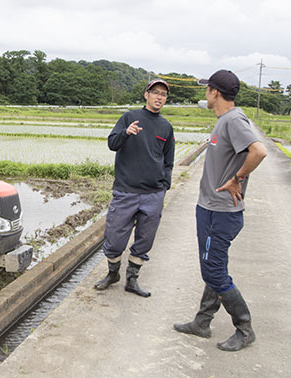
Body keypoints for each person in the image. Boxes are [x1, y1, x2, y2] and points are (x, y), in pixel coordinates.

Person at [173, 69, 267, 351]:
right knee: (214, 267)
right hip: (210, 209)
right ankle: (202, 322)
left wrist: (237, 179)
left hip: (221, 213)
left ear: (214, 92)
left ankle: (244, 327)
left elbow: (259, 151)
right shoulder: (223, 120)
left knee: (214, 272)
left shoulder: (234, 120)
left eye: (207, 89)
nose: (205, 93)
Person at [94, 79, 175, 297]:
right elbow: (112, 143)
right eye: (155, 92)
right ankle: (113, 274)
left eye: (164, 94)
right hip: (126, 190)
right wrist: (126, 133)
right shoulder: (129, 117)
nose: (159, 97)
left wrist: (164, 185)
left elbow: (168, 161)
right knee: (114, 237)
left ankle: (132, 279)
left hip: (153, 194)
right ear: (146, 94)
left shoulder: (166, 127)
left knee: (145, 239)